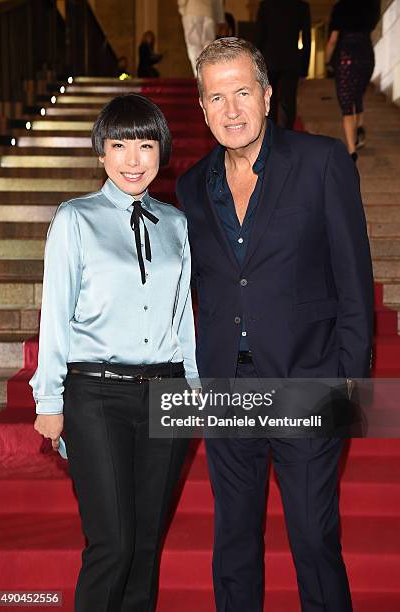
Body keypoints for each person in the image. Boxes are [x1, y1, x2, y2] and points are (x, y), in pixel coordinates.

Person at [176, 37, 374, 611]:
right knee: (233, 544)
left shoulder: (321, 163)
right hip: (225, 392)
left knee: (314, 540)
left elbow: (354, 284)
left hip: (307, 382)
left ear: (266, 96)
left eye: (242, 92)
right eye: (217, 97)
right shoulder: (191, 187)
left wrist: (347, 386)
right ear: (203, 106)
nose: (231, 109)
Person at [31, 94, 199, 612]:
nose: (133, 158)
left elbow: (183, 316)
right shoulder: (75, 219)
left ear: (161, 152)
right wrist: (48, 400)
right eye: (120, 144)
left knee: (146, 544)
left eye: (146, 145)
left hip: (167, 393)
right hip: (95, 394)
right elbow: (54, 312)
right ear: (101, 153)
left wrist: (194, 390)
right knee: (114, 543)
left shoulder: (175, 223)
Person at [326, 0, 380, 161]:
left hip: (346, 55)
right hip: (366, 55)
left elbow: (333, 40)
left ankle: (351, 150)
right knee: (358, 94)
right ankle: (359, 128)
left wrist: (328, 61)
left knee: (346, 103)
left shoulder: (341, 7)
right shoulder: (372, 5)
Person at [256, 0, 311, 129]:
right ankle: (286, 136)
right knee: (288, 101)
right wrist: (304, 67)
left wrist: (256, 63)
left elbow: (260, 36)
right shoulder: (301, 6)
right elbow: (306, 38)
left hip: (269, 59)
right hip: (291, 59)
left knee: (269, 99)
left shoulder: (266, 5)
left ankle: (271, 134)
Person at [178, 0, 226, 76]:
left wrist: (182, 8)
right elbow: (218, 2)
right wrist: (220, 19)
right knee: (208, 46)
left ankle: (199, 75)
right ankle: (207, 75)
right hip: (209, 13)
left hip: (191, 11)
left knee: (194, 46)